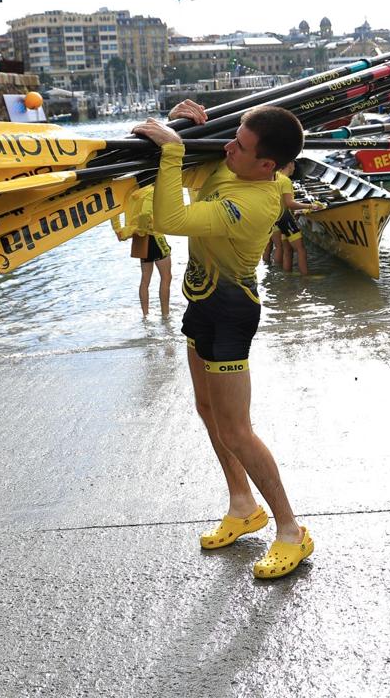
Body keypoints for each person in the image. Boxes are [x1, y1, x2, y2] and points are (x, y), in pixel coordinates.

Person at [133, 100, 313, 580]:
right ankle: (242, 504)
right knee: (207, 409)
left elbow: (170, 219)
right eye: (231, 136)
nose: (228, 147)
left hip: (231, 313)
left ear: (267, 165)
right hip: (201, 301)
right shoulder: (235, 163)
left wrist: (174, 154)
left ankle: (291, 530)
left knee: (237, 429)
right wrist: (187, 126)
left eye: (239, 144)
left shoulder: (254, 203)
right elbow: (187, 176)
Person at [136, 232, 172, 317]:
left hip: (141, 238)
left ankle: (145, 315)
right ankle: (165, 314)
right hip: (155, 237)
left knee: (145, 279)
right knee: (166, 277)